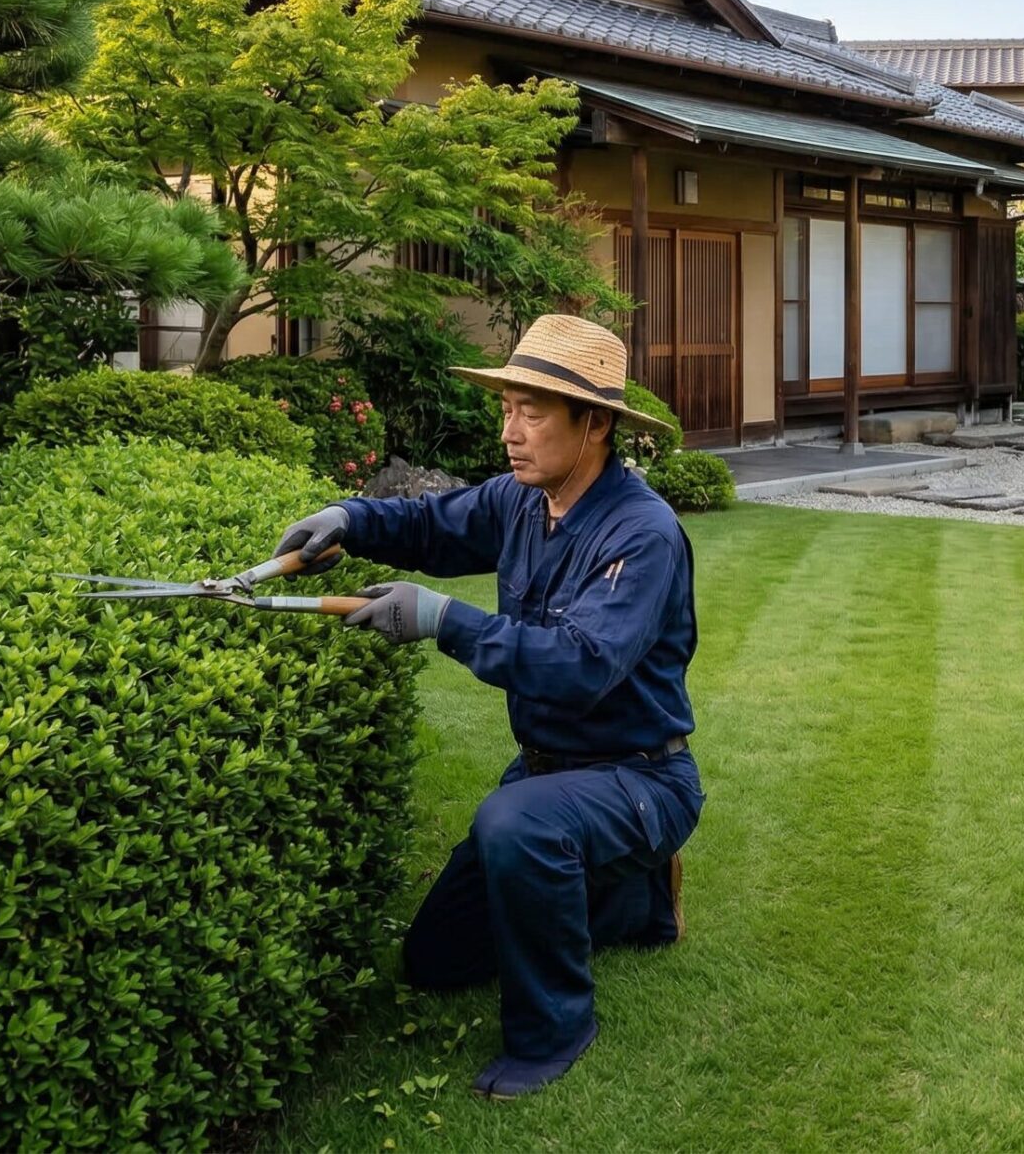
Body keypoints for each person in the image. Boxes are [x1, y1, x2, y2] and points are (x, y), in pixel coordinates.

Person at [271, 314, 702, 1100]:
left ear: (596, 423)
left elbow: (580, 666)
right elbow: (432, 525)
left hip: (641, 779)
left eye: (532, 411)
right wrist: (349, 518)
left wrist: (442, 619)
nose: (510, 430)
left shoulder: (643, 534)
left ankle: (556, 1029)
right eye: (506, 407)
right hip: (547, 772)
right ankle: (632, 898)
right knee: (434, 961)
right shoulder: (518, 501)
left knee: (516, 826)